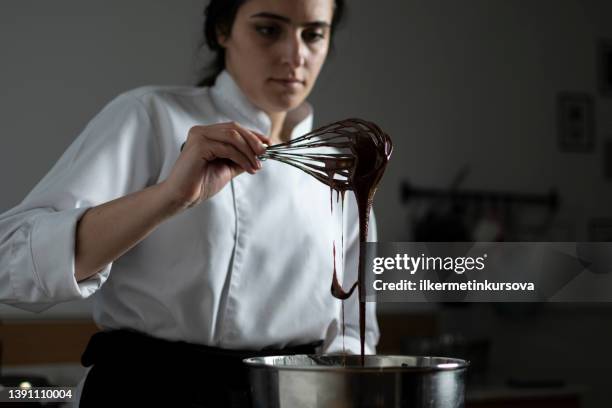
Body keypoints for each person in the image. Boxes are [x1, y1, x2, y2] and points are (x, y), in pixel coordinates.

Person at [0, 0, 379, 406]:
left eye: (314, 34)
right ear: (222, 30)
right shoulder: (151, 116)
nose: (295, 55)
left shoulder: (341, 172)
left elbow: (352, 333)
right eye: (269, 30)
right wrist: (169, 198)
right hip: (145, 394)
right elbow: (10, 260)